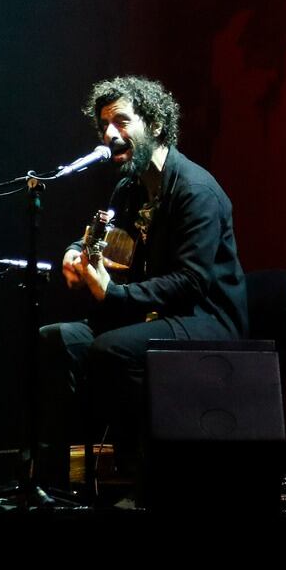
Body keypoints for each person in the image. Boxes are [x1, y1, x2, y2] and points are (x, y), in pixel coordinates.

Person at [38, 75, 249, 489]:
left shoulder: (195, 190)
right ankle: (56, 484)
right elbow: (101, 239)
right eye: (103, 125)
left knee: (113, 349)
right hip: (153, 315)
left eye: (120, 121)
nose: (109, 134)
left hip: (205, 318)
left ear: (154, 124)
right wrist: (73, 253)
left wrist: (114, 294)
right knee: (57, 339)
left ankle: (151, 474)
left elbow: (190, 282)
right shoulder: (130, 189)